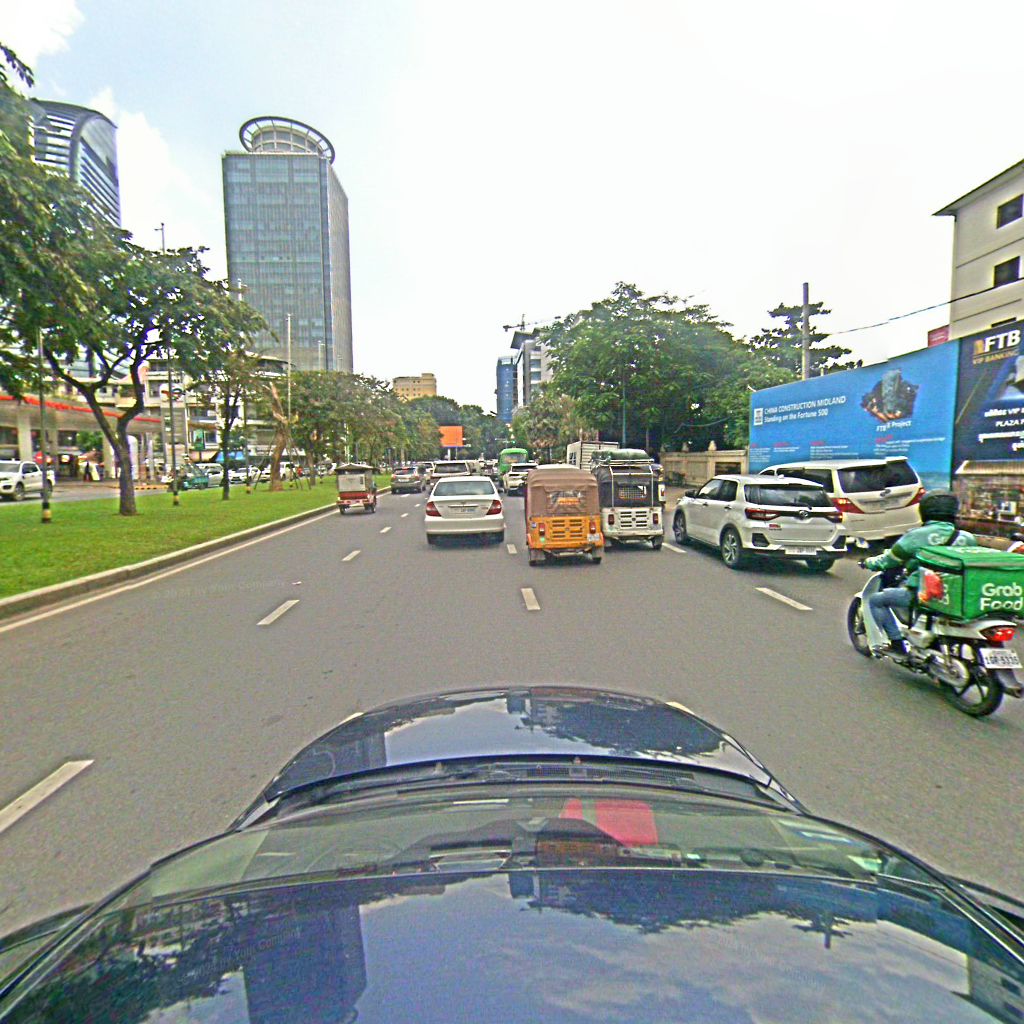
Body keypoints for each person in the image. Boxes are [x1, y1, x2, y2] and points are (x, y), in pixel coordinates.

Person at [864, 490, 975, 656]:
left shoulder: (915, 536)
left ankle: (896, 644)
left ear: (924, 510)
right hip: (957, 596)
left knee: (877, 600)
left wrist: (869, 563)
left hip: (926, 594)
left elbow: (890, 560)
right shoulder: (967, 538)